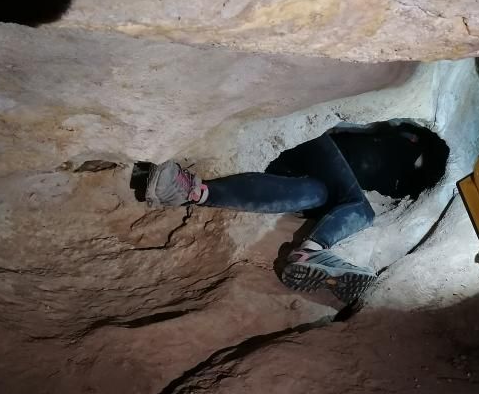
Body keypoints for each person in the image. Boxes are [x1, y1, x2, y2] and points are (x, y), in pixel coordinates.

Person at [130, 122, 448, 303]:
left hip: (309, 174)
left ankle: (193, 192)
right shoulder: (407, 140)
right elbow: (363, 125)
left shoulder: (404, 180)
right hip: (317, 143)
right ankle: (312, 251)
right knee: (362, 211)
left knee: (316, 193)